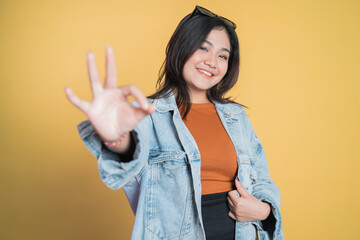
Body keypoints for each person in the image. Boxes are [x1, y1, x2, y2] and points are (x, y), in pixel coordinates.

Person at [65, 5, 283, 240]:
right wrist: (115, 136)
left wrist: (264, 211)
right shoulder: (145, 114)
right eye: (203, 48)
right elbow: (124, 169)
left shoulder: (237, 117)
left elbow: (261, 181)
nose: (212, 62)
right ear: (182, 48)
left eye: (222, 56)